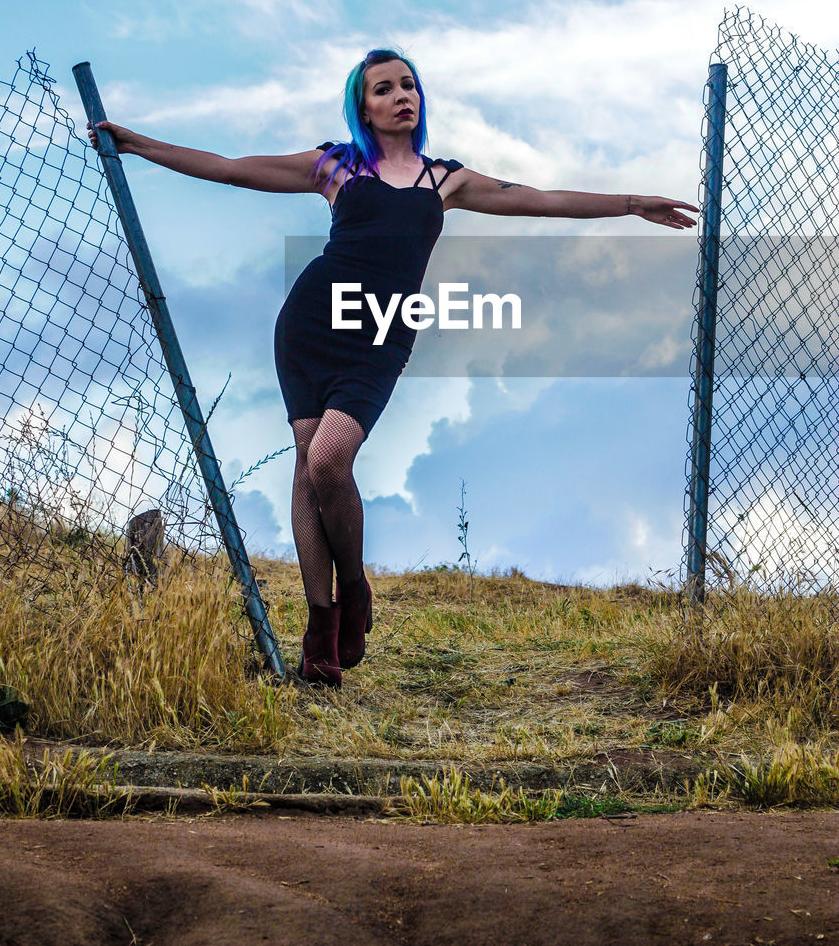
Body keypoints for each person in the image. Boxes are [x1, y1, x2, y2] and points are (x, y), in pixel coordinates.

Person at [88, 48, 697, 688]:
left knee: (328, 461)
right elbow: (235, 169)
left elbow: (541, 200)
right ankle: (320, 631)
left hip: (380, 334)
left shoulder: (445, 180)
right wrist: (137, 144)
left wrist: (632, 203)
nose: (402, 96)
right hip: (310, 326)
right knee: (306, 466)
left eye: (409, 85)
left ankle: (352, 588)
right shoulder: (338, 167)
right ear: (364, 107)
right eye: (384, 89)